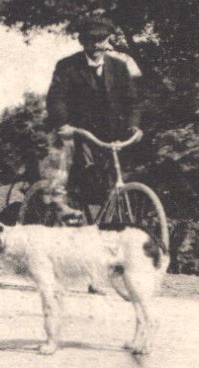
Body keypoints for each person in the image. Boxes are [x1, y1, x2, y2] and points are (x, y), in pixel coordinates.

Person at [44, 15, 143, 223]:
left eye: (102, 39)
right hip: (75, 130)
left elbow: (132, 101)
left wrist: (133, 126)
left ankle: (118, 214)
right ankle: (59, 202)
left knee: (122, 168)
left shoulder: (119, 67)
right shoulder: (67, 66)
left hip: (108, 133)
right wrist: (63, 124)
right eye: (91, 39)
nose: (97, 45)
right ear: (82, 41)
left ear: (108, 40)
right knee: (62, 147)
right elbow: (56, 99)